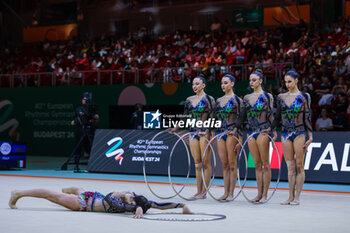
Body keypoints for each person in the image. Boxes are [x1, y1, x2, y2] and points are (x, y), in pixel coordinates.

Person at [9, 187, 193, 219]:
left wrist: (182, 206)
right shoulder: (121, 197)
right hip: (83, 203)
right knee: (51, 196)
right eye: (130, 198)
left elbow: (160, 205)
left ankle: (72, 188)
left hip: (92, 196)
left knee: (78, 190)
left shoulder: (140, 201)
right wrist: (132, 205)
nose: (129, 198)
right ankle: (19, 193)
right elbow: (112, 200)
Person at [270, 69, 313, 205]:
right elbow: (277, 117)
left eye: (290, 81)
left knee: (299, 166)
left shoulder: (305, 96)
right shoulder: (281, 97)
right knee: (290, 166)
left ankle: (297, 197)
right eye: (285, 82)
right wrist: (271, 130)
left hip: (299, 132)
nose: (287, 84)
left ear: (296, 80)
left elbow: (307, 117)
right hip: (285, 133)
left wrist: (310, 136)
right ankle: (290, 196)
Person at [169, 74, 215, 199]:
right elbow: (184, 117)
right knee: (197, 164)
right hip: (193, 132)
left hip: (204, 133)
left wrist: (207, 131)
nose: (194, 86)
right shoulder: (189, 99)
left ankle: (205, 191)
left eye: (197, 84)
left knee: (206, 163)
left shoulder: (209, 99)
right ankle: (198, 190)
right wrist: (175, 128)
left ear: (203, 85)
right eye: (193, 84)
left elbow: (213, 117)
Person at [236, 69, 276, 203]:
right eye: (250, 80)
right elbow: (242, 117)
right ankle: (259, 193)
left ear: (260, 81)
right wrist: (238, 132)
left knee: (265, 164)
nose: (251, 82)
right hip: (251, 132)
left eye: (254, 80)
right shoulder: (246, 98)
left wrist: (273, 130)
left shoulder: (267, 96)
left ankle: (265, 194)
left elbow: (271, 114)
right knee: (257, 165)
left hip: (263, 130)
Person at [214, 73, 243, 200]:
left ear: (232, 84)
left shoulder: (238, 100)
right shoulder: (219, 101)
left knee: (232, 164)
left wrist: (240, 139)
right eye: (222, 83)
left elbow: (241, 120)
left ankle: (231, 193)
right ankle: (225, 192)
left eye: (226, 83)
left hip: (232, 132)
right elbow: (215, 119)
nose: (223, 85)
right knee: (224, 164)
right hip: (221, 133)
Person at [70, 92, 99, 172]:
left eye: (86, 99)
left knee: (91, 148)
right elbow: (75, 119)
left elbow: (96, 119)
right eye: (83, 99)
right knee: (78, 148)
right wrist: (74, 121)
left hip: (90, 130)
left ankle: (95, 166)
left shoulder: (92, 108)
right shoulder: (78, 109)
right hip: (80, 131)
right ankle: (76, 165)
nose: (84, 101)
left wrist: (95, 117)